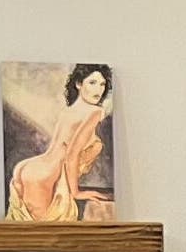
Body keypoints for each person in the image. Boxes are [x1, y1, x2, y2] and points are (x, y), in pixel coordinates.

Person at [7, 63, 117, 224]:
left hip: (29, 167)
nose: (98, 90)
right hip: (47, 175)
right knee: (42, 239)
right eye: (92, 83)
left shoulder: (69, 111)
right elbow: (71, 156)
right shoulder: (95, 112)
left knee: (24, 236)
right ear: (79, 84)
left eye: (102, 84)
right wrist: (76, 192)